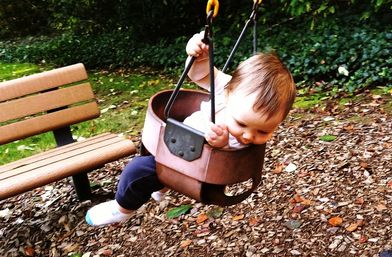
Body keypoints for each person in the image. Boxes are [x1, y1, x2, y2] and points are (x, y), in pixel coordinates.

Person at [85, 32, 296, 226]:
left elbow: (226, 162)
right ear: (229, 93)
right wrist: (198, 55)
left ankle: (121, 209)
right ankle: (157, 188)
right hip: (174, 147)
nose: (249, 135)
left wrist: (222, 144)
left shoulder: (240, 136)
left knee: (137, 171)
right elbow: (200, 75)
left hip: (197, 169)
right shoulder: (227, 88)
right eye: (241, 124)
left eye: (263, 132)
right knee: (148, 163)